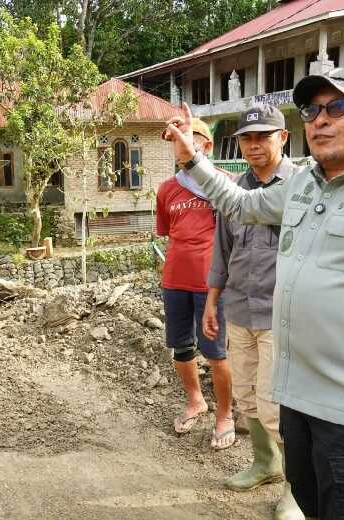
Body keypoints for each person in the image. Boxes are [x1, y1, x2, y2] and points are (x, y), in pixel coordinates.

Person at [165, 68, 344, 519]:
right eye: (311, 110)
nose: (320, 120)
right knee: (309, 503)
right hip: (296, 400)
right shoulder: (302, 184)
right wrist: (191, 159)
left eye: (337, 107)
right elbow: (240, 204)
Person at [201, 105, 302, 517]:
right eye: (247, 137)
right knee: (245, 395)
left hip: (282, 315)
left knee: (278, 405)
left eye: (264, 136)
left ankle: (297, 489)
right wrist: (212, 300)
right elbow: (222, 250)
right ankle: (265, 463)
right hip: (239, 308)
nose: (254, 144)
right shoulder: (235, 191)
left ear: (283, 138)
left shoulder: (301, 188)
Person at [156, 118, 234, 450]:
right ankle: (195, 400)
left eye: (189, 138)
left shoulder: (224, 183)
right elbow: (167, 232)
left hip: (211, 284)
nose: (181, 145)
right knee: (181, 347)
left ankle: (225, 415)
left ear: (208, 145)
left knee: (216, 352)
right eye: (174, 140)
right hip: (174, 280)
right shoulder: (167, 189)